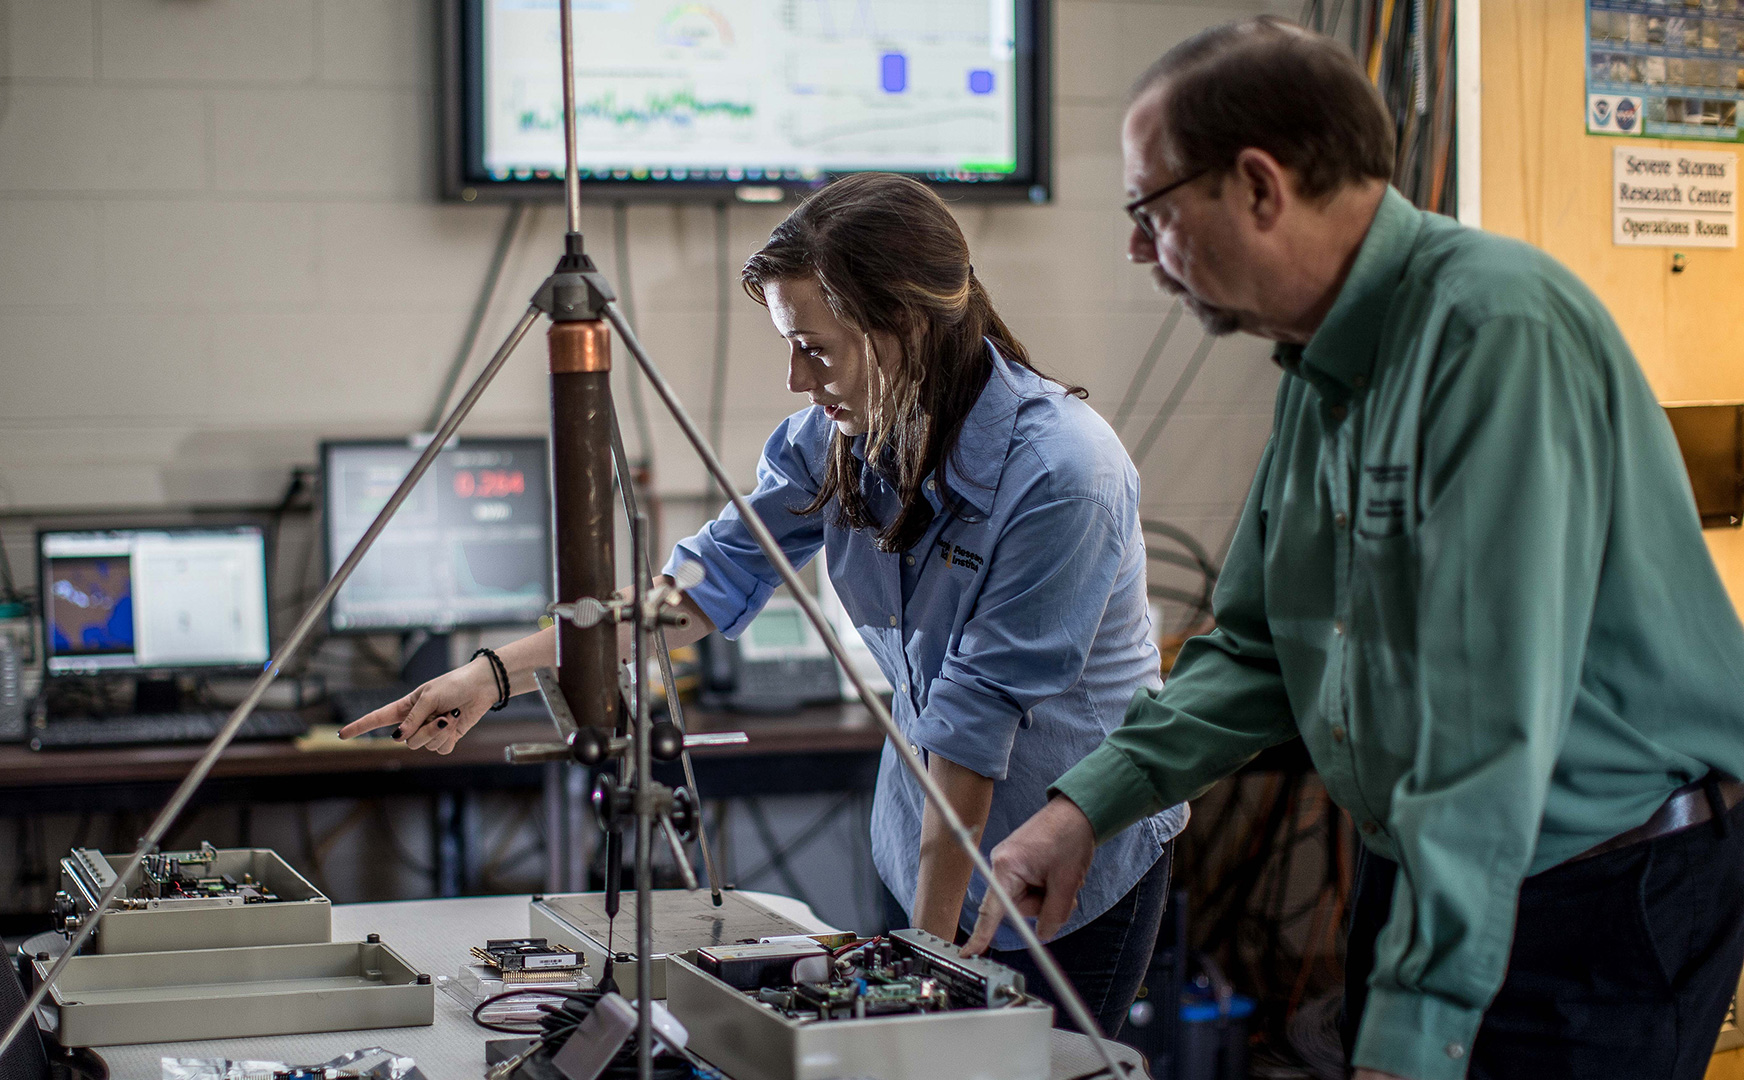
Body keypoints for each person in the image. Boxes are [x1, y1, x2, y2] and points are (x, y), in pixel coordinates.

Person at [963, 16, 1744, 1080]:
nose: (1138, 251)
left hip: (1592, 889)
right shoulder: (1325, 366)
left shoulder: (1491, 334)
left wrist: (1418, 1026)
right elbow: (1259, 652)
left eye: (1151, 210)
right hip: (1439, 863)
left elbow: (1480, 724)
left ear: (1257, 186)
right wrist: (1087, 807)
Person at [340, 171, 1187, 1034]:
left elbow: (972, 728)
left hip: (1066, 865)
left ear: (905, 327)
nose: (793, 378)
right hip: (923, 829)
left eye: (813, 347)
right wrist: (495, 675)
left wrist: (916, 981)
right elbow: (704, 584)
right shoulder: (836, 437)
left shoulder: (1063, 473)